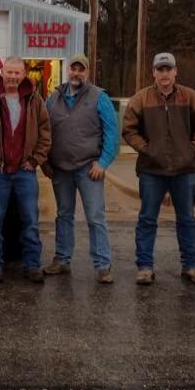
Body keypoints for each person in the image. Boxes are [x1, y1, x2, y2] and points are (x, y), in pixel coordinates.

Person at [122, 52, 195, 286]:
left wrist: (192, 148)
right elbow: (129, 130)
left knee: (187, 220)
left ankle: (190, 266)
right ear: (153, 72)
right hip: (152, 170)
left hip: (185, 170)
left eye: (168, 69)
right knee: (147, 219)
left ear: (175, 71)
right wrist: (147, 149)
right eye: (160, 69)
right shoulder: (140, 99)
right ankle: (144, 267)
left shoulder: (191, 97)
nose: (164, 74)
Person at [42, 54, 118, 284]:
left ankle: (103, 265)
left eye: (81, 69)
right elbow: (44, 132)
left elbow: (112, 134)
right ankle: (62, 260)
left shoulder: (99, 97)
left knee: (95, 217)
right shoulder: (52, 98)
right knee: (63, 215)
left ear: (87, 72)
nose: (76, 73)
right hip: (60, 169)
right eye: (73, 69)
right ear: (68, 71)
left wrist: (103, 163)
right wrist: (45, 161)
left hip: (89, 168)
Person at [0, 57, 51, 284]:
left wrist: (36, 160)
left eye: (17, 73)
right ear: (2, 71)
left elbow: (45, 133)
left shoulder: (35, 99)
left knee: (30, 220)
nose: (12, 77)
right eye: (9, 72)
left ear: (24, 73)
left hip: (24, 171)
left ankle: (32, 266)